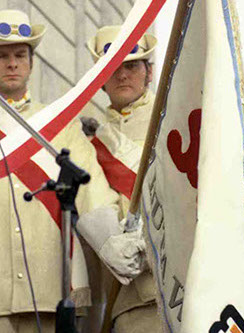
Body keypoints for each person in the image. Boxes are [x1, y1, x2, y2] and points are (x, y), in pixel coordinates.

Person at [0, 10, 140, 333]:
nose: (12, 63)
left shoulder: (62, 123)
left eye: (20, 55)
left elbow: (94, 197)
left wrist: (117, 247)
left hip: (51, 295)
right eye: (1, 55)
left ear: (31, 64)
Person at [86, 26, 160, 332]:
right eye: (113, 68)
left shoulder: (173, 120)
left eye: (131, 66)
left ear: (150, 72)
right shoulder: (90, 144)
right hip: (127, 296)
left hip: (178, 282)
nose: (122, 76)